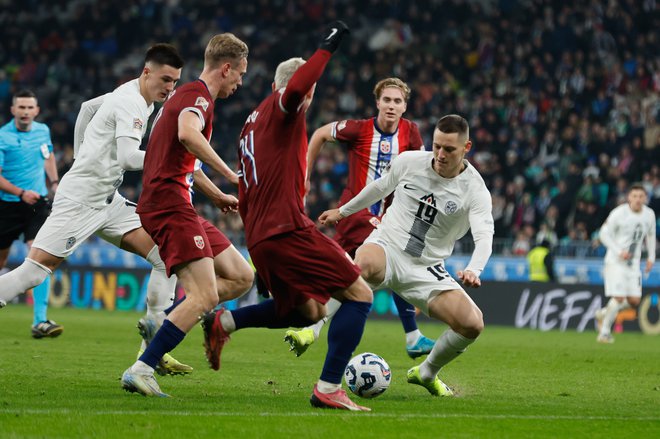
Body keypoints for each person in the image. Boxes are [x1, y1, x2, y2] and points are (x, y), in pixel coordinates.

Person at [203, 21, 374, 411]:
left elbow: (248, 190)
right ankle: (329, 387)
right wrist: (326, 49)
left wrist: (259, 260)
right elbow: (296, 87)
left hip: (262, 237)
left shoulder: (251, 123)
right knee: (359, 294)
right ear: (305, 90)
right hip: (287, 230)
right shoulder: (287, 107)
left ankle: (225, 322)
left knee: (305, 310)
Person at [0, 45, 192, 374]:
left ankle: (152, 351)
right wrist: (176, 160)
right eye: (164, 79)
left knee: (166, 255)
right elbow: (129, 158)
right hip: (81, 200)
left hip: (108, 201)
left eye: (174, 82)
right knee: (33, 273)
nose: (169, 88)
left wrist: (79, 155)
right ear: (146, 72)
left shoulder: (134, 93)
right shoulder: (131, 102)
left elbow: (88, 108)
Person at [319, 114, 494, 397]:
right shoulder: (411, 161)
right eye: (436, 145)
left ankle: (426, 372)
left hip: (427, 267)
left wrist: (476, 268)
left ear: (466, 148)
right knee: (361, 264)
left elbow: (484, 236)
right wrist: (343, 211)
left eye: (449, 149)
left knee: (473, 323)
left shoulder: (475, 189)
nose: (439, 154)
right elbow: (379, 187)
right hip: (388, 245)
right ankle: (313, 328)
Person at [120, 33, 254, 397]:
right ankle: (143, 367)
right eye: (239, 73)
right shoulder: (197, 97)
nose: (240, 82)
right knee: (204, 296)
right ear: (225, 68)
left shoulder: (184, 97)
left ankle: (166, 323)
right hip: (168, 205)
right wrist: (230, 174)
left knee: (241, 276)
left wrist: (218, 195)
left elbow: (187, 163)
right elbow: (188, 136)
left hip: (181, 203)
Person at [283, 77, 435, 359]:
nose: (391, 105)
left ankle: (311, 330)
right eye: (387, 100)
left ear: (404, 107)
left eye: (397, 101)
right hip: (356, 213)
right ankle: (412, 335)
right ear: (377, 103)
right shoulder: (359, 129)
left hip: (388, 214)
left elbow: (421, 171)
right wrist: (305, 176)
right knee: (390, 258)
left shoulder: (411, 133)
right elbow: (318, 134)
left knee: (350, 276)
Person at [0, 90, 61, 338]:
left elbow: (48, 157)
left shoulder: (42, 131)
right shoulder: (3, 136)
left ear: (36, 111)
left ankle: (40, 321)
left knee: (40, 256)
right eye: (21, 107)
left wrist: (55, 182)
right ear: (13, 110)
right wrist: (20, 192)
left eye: (29, 108)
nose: (25, 112)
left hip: (36, 203)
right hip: (8, 205)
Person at [594, 184, 656, 344]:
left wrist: (651, 257)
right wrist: (618, 251)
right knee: (619, 298)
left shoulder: (649, 215)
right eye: (634, 196)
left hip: (633, 263)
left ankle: (605, 311)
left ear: (645, 198)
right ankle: (604, 333)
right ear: (629, 197)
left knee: (634, 300)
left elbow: (650, 235)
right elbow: (603, 234)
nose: (637, 199)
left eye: (641, 196)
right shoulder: (619, 213)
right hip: (615, 261)